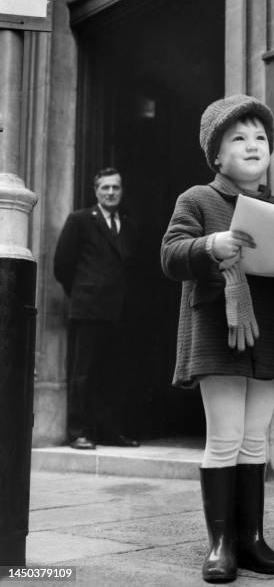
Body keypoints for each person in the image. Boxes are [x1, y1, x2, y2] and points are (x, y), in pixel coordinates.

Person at [160, 94, 274, 583]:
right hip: (216, 333)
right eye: (239, 138)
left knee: (255, 440)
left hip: (267, 335)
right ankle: (221, 544)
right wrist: (211, 244)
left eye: (261, 138)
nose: (253, 145)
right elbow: (170, 255)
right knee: (225, 437)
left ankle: (251, 540)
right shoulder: (197, 200)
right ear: (216, 154)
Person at [54, 168, 140, 450]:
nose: (111, 193)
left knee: (114, 373)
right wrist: (81, 294)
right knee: (84, 373)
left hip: (118, 311)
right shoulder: (80, 220)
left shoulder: (127, 224)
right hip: (88, 309)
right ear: (96, 191)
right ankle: (78, 431)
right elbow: (62, 265)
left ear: (122, 190)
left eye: (115, 187)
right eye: (105, 188)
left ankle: (109, 431)